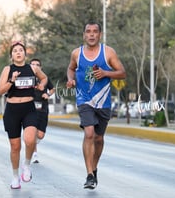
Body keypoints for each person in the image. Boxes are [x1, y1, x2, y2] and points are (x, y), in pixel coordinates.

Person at [66, 21, 126, 189]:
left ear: (99, 35)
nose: (91, 34)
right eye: (88, 31)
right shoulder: (77, 53)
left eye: (95, 32)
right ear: (84, 35)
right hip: (84, 99)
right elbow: (70, 68)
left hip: (103, 101)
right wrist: (70, 80)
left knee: (99, 138)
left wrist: (106, 73)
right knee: (89, 133)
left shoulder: (108, 52)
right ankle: (89, 175)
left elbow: (122, 73)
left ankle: (94, 167)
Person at [0, 41, 48, 189]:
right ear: (11, 56)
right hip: (12, 110)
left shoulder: (33, 68)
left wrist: (41, 86)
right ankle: (15, 176)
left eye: (21, 50)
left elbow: (44, 78)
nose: (18, 52)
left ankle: (26, 165)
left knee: (30, 139)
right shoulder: (7, 69)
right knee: (15, 146)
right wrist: (12, 81)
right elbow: (0, 91)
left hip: (29, 108)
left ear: (25, 54)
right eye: (15, 51)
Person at [29, 58, 55, 163]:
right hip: (30, 108)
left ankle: (33, 143)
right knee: (32, 131)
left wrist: (47, 94)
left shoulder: (45, 78)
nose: (35, 66)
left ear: (41, 67)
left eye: (37, 64)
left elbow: (53, 89)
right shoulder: (27, 78)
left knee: (40, 135)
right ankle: (34, 154)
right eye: (33, 64)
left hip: (42, 108)